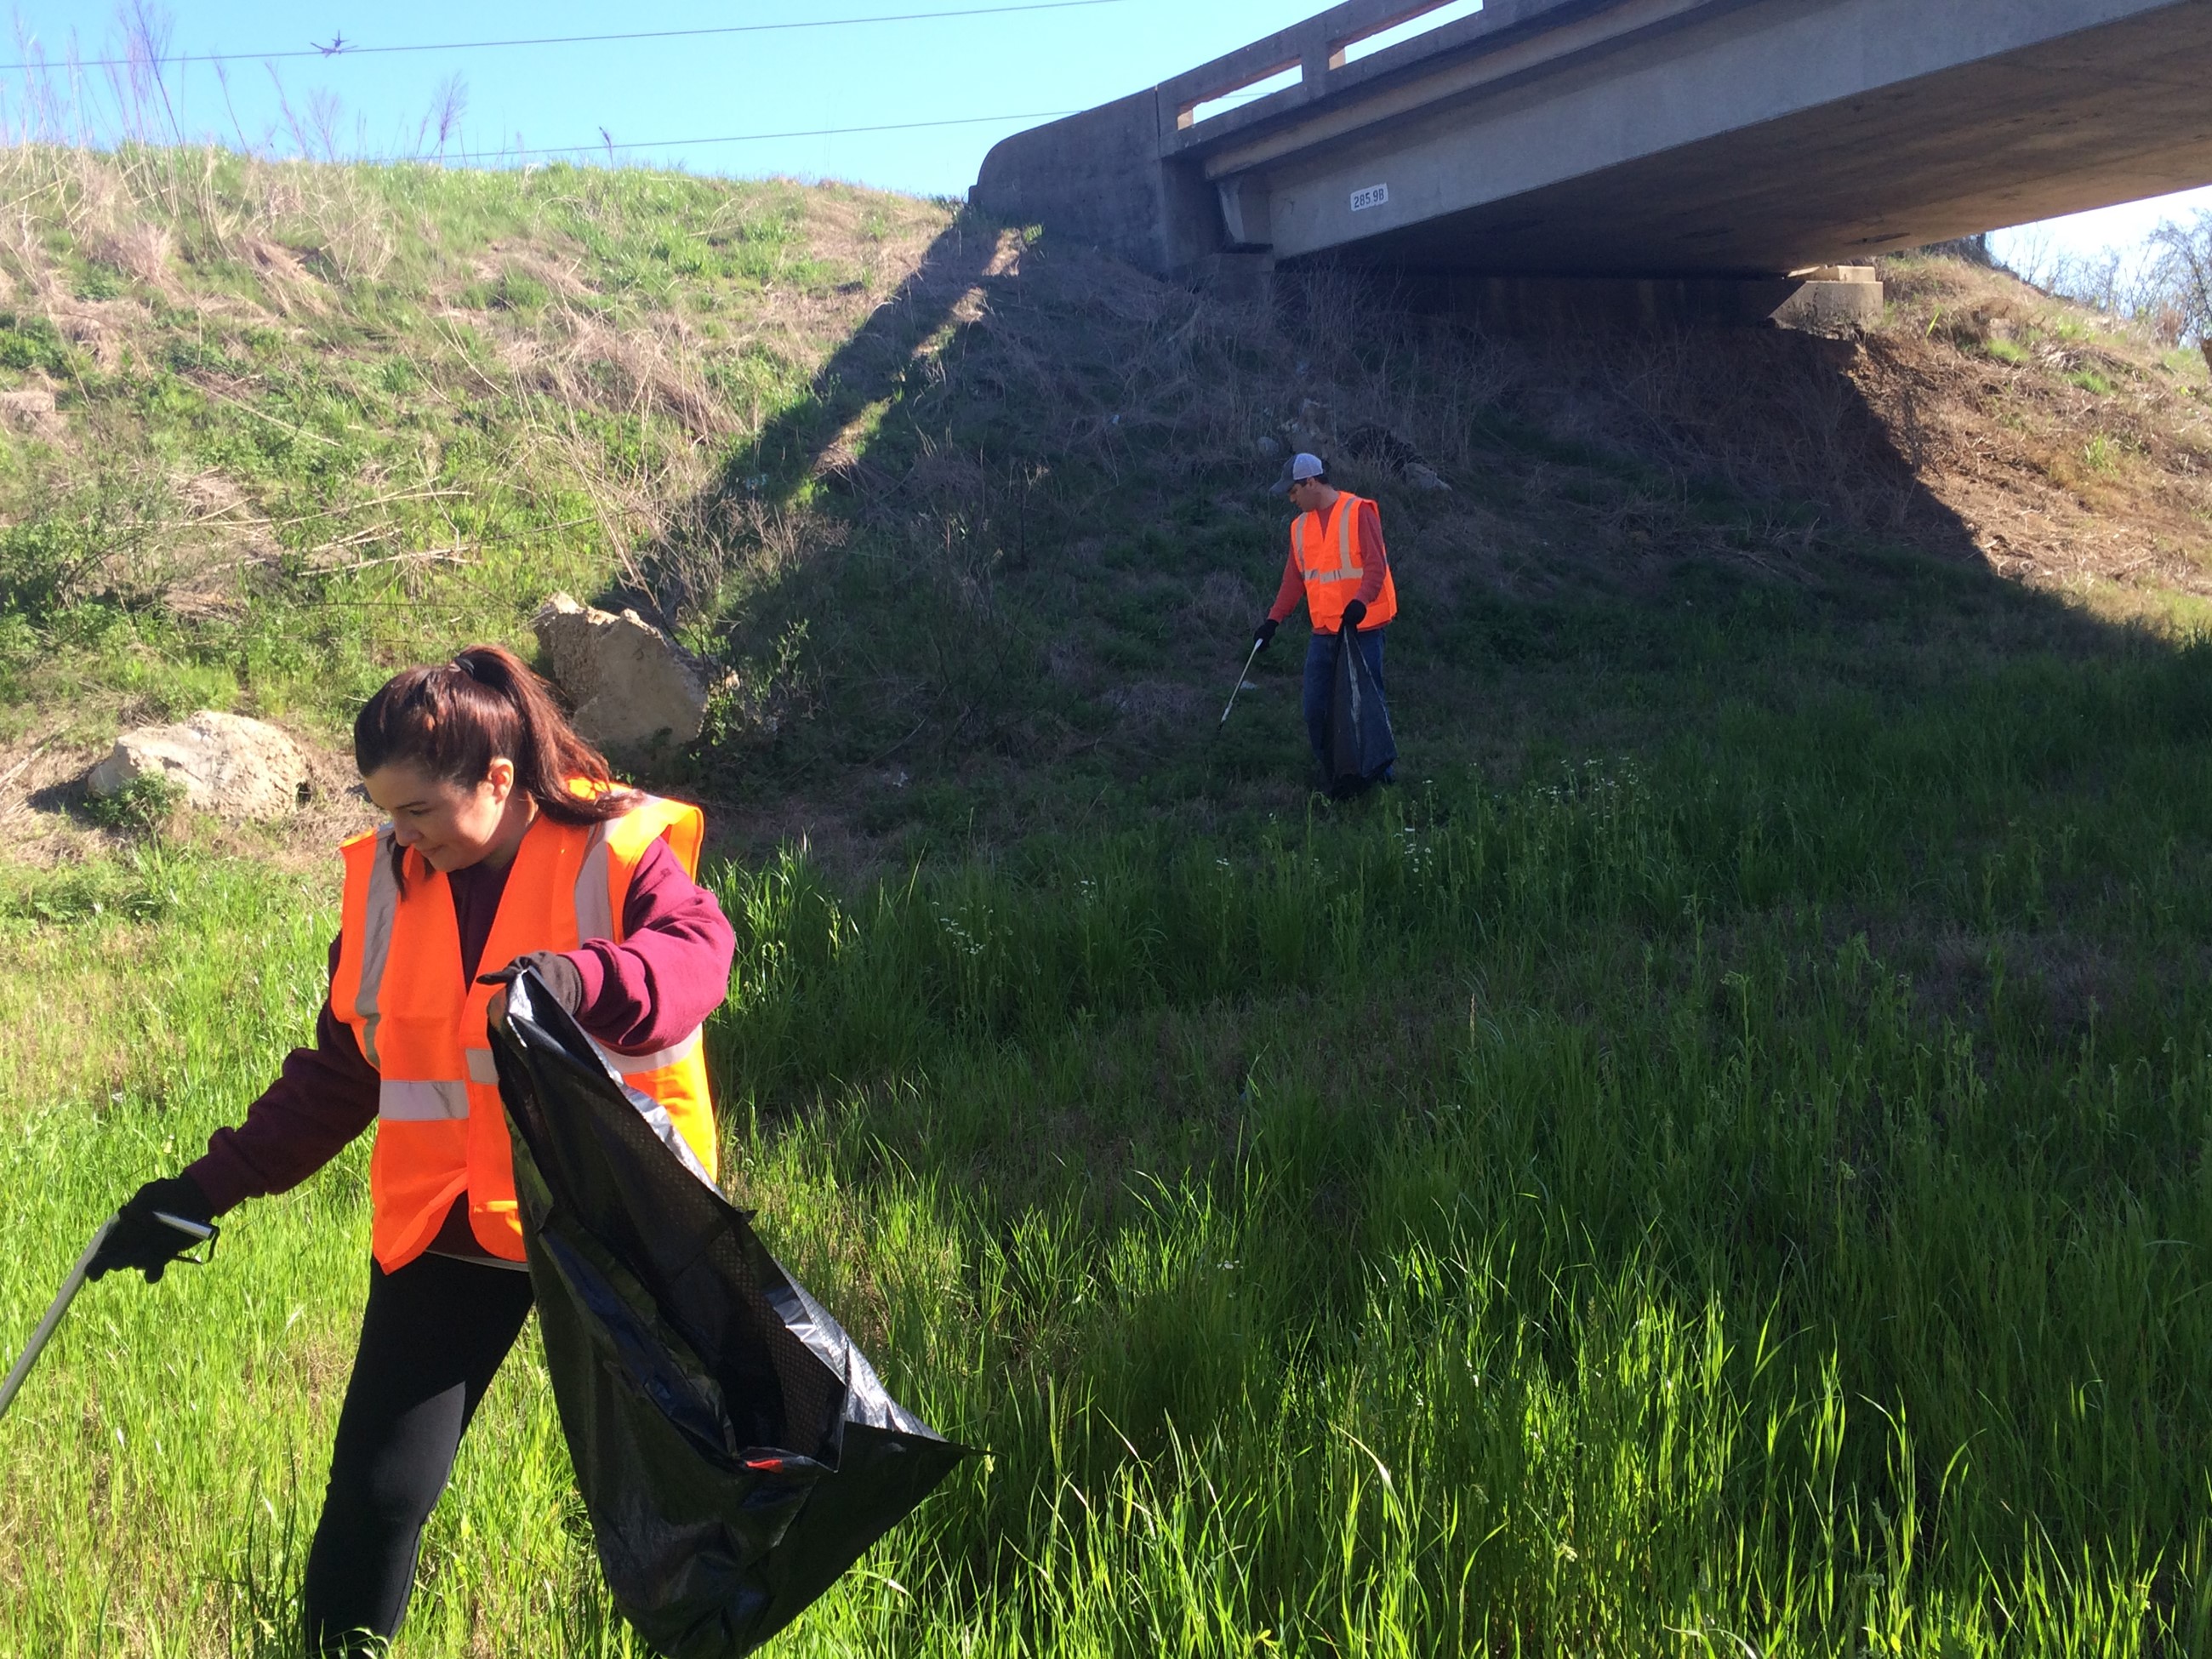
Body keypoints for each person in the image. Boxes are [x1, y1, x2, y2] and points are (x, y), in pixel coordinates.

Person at [86, 645, 738, 1657]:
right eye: (386, 811)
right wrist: (200, 1190)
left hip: (617, 1225)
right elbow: (341, 1077)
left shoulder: (620, 846)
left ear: (499, 780)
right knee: (378, 1493)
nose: (402, 836)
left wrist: (578, 981)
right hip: (454, 1225)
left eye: (420, 812)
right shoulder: (389, 886)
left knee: (696, 1492)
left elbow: (696, 959)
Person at [1251, 452, 1399, 783]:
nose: (1292, 499)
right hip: (1324, 632)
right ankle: (1334, 773)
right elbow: (1294, 580)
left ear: (1311, 482)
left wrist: (1360, 602)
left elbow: (1376, 567)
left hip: (1364, 629)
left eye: (1294, 491)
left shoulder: (1358, 511)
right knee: (1315, 709)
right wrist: (1273, 622)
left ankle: (1380, 777)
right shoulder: (1299, 527)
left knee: (1368, 705)